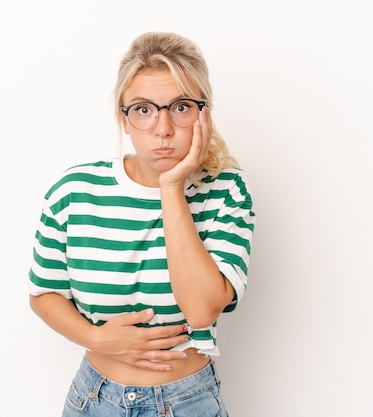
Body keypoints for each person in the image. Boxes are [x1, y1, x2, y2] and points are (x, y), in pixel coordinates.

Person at [28, 31, 255, 416]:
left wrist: (171, 187)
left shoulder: (226, 192)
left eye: (180, 107)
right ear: (125, 118)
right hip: (92, 400)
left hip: (185, 402)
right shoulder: (74, 191)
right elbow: (44, 293)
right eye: (144, 109)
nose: (163, 128)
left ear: (204, 114)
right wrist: (97, 339)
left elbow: (201, 311)